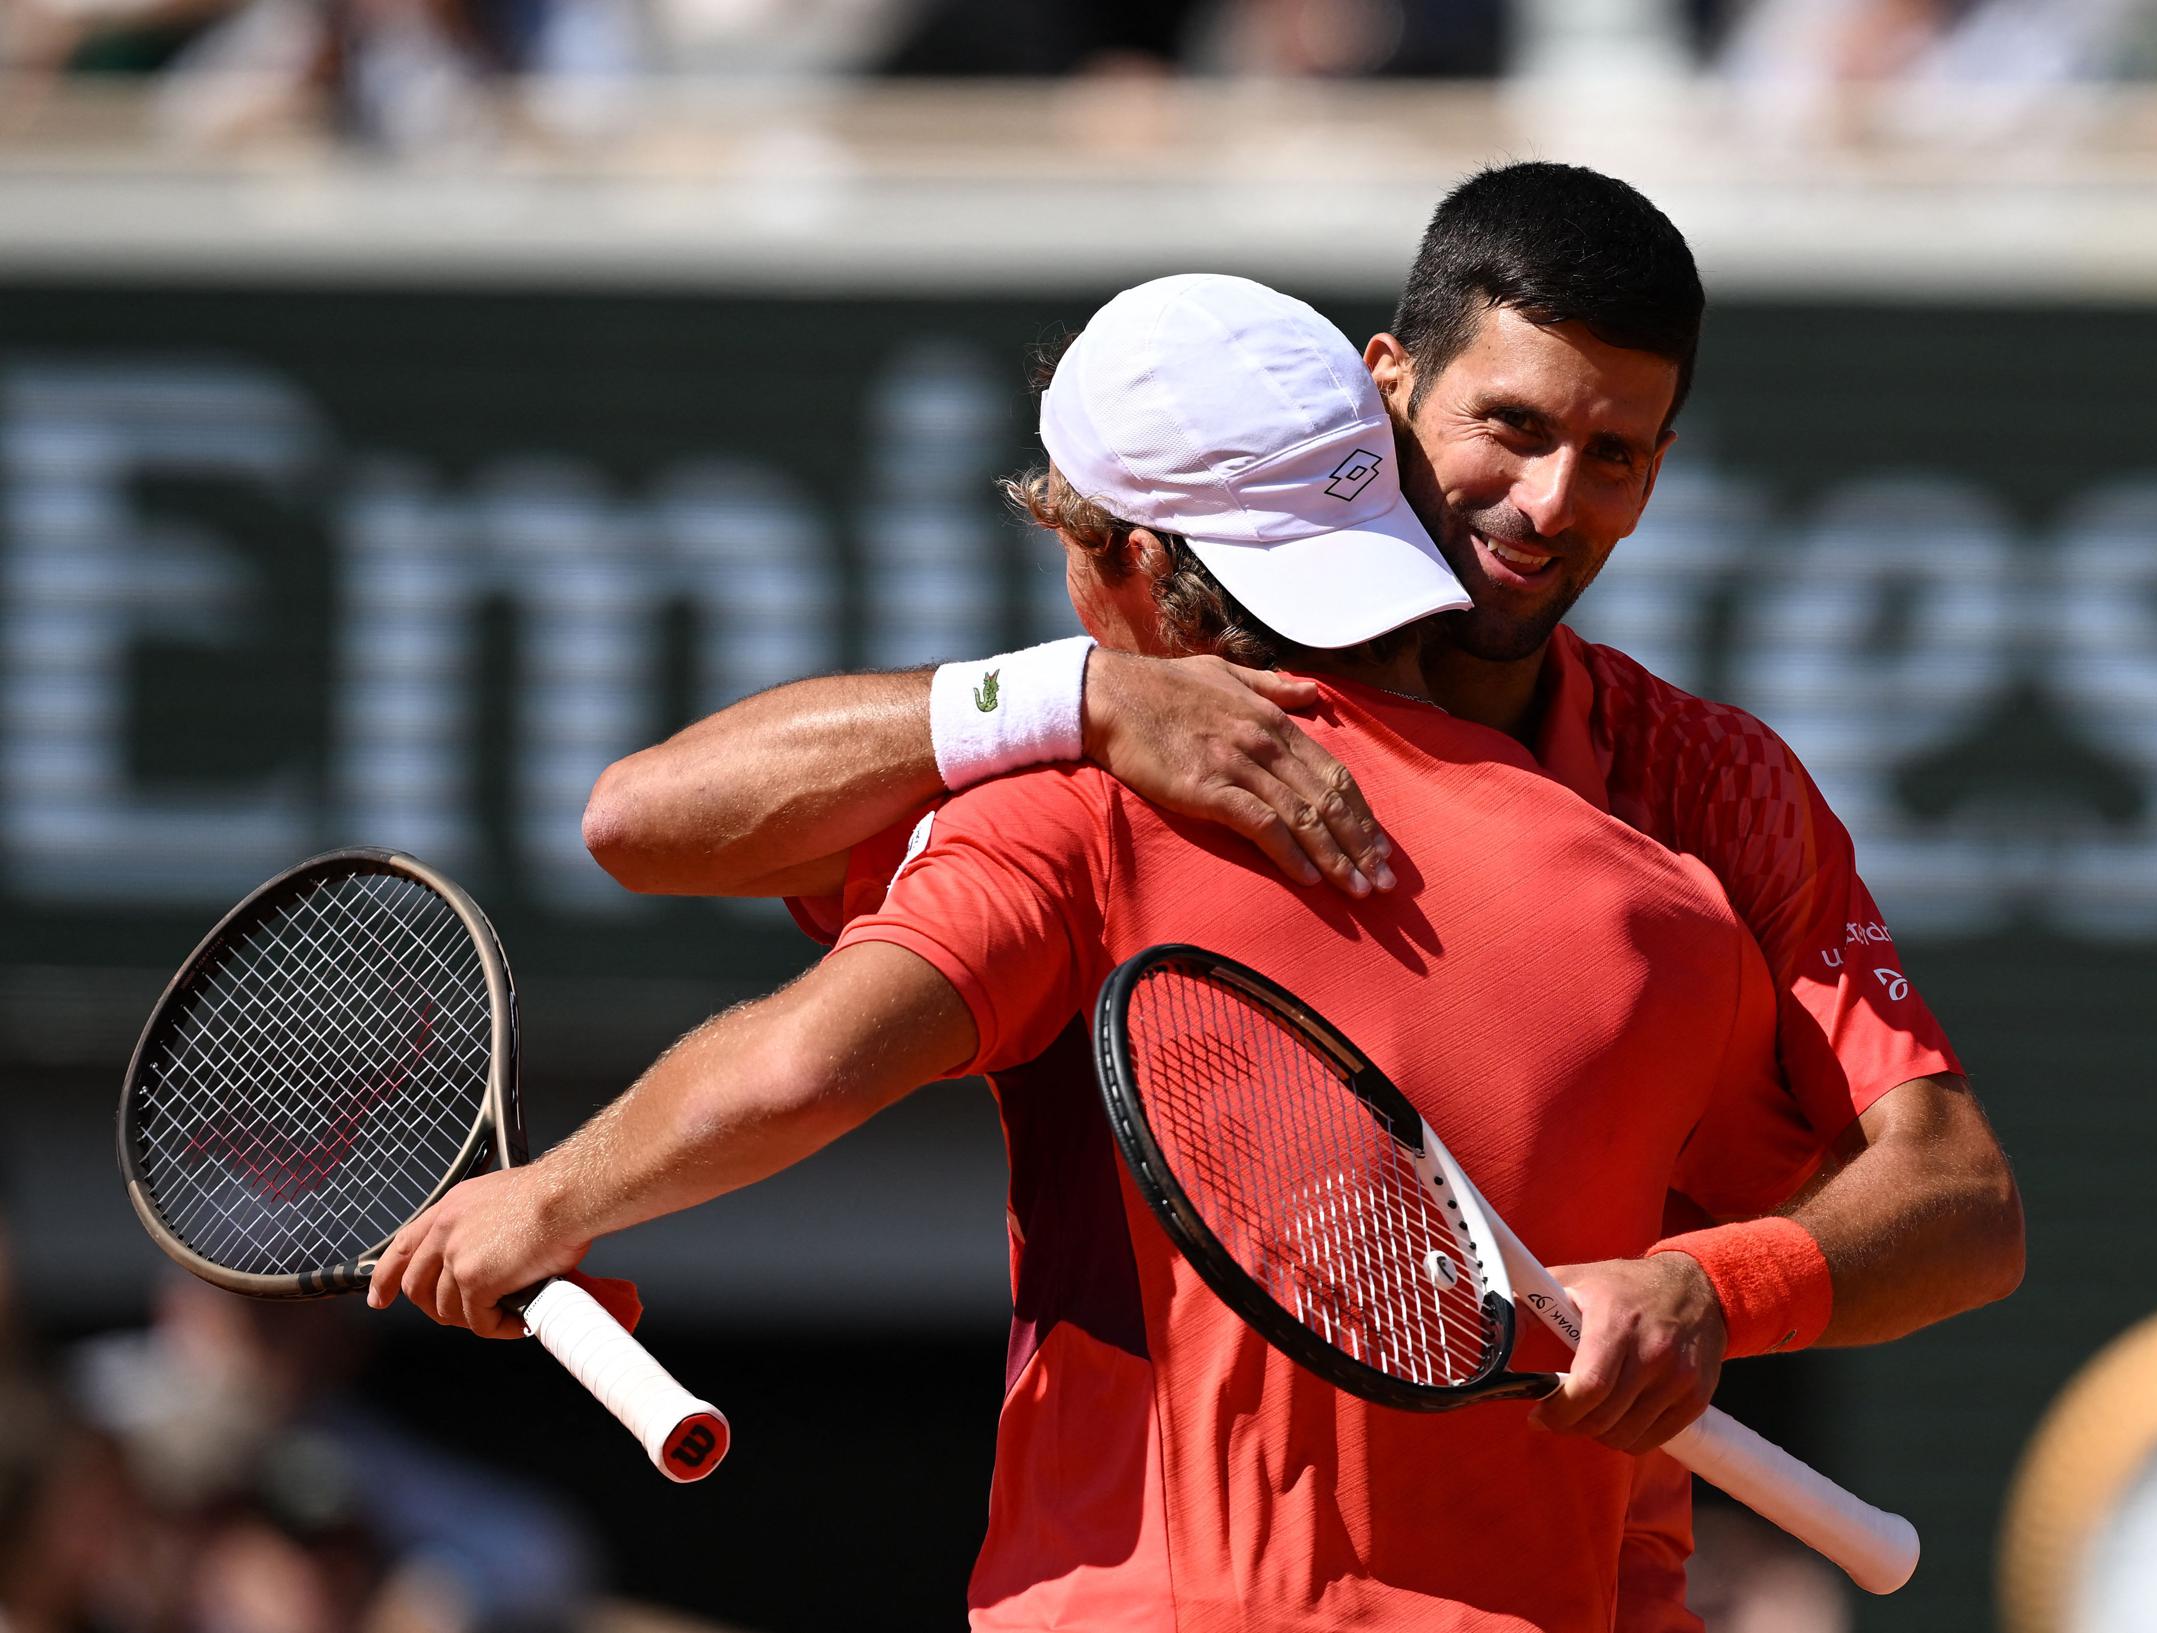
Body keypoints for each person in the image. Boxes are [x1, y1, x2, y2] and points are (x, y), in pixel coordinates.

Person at [371, 274, 1858, 1631]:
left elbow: (795, 1046)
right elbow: (1851, 1201)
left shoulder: (1073, 824)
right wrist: (1711, 1293)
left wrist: (550, 1198)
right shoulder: (1663, 903)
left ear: (1120, 561)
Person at [583, 162, 2023, 1368]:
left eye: (1614, 455)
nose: (1547, 504)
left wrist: (1712, 1289)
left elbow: (1959, 1199)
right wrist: (1076, 693)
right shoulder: (1121, 744)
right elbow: (649, 822)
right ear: (1384, 382)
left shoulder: (1718, 790)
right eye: (1509, 428)